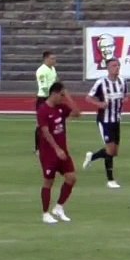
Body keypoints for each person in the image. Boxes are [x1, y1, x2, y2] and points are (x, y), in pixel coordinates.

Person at [36, 81, 80, 224]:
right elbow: (45, 132)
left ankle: (59, 207)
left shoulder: (61, 107)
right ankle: (45, 213)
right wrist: (57, 149)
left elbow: (77, 113)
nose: (62, 98)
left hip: (63, 151)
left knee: (71, 178)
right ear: (54, 94)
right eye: (61, 95)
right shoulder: (43, 110)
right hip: (49, 152)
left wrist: (68, 97)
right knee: (49, 181)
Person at [83, 57, 127, 188]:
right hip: (104, 120)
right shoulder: (101, 83)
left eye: (118, 66)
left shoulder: (123, 82)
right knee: (110, 150)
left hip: (116, 120)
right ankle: (110, 180)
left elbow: (124, 96)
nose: (116, 68)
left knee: (114, 152)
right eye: (114, 66)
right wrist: (99, 104)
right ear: (108, 68)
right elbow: (88, 97)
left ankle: (92, 157)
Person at [34, 50, 58, 152]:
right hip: (44, 99)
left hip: (52, 99)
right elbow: (44, 87)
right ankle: (38, 147)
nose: (54, 60)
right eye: (52, 58)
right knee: (41, 124)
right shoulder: (41, 71)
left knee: (53, 123)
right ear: (46, 59)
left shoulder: (53, 69)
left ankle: (49, 145)